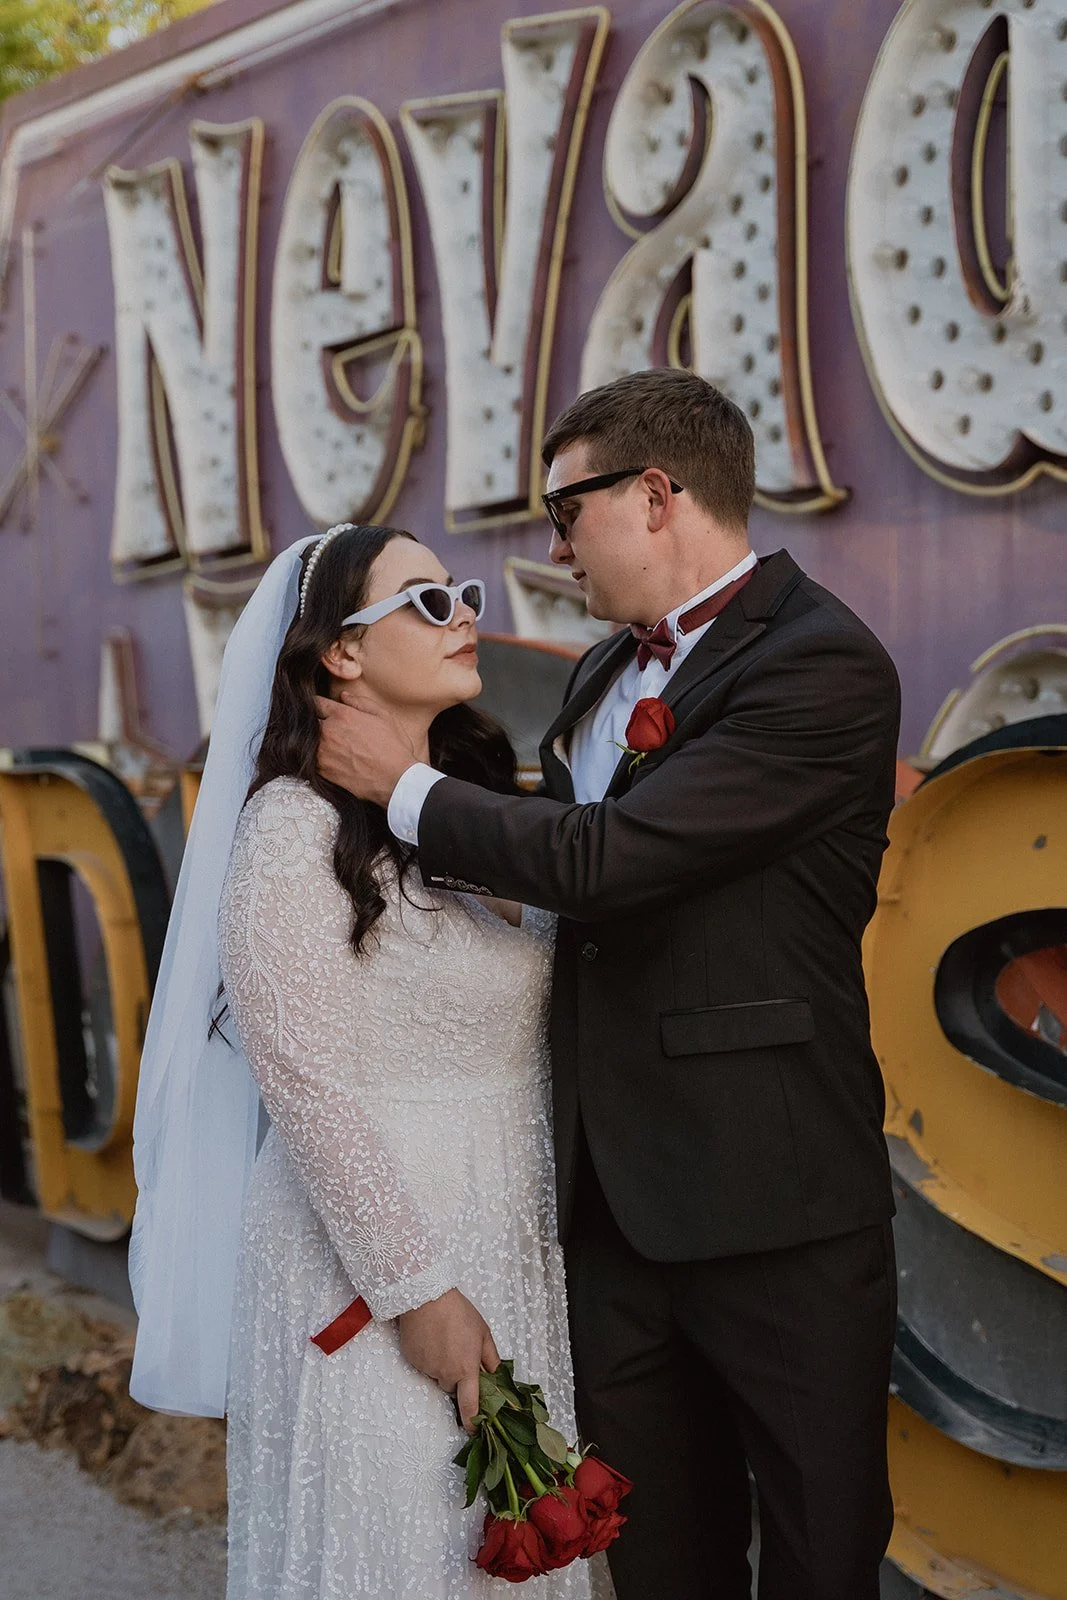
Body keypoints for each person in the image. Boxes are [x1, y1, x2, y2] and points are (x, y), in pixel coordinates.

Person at [317, 368, 903, 1600]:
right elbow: (557, 907)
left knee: (818, 1550)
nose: (551, 544)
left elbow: (609, 860)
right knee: (654, 1559)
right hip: (602, 1205)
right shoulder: (594, 679)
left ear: (652, 494)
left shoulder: (820, 664)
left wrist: (401, 787)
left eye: (563, 510)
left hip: (773, 1202)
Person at [128, 523, 612, 1598]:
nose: (465, 614)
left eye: (465, 593)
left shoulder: (471, 805)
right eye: (427, 601)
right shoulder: (290, 830)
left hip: (507, 1231)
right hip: (373, 1260)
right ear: (339, 652)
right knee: (397, 1547)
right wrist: (416, 1291)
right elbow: (304, 1087)